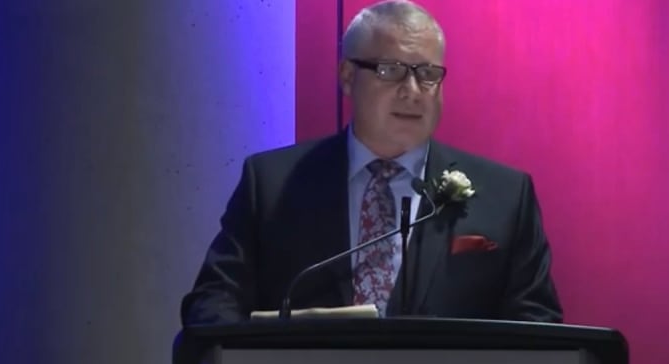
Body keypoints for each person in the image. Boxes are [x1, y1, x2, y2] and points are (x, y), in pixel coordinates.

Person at [179, 0, 563, 327]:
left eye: (428, 75)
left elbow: (537, 324)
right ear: (347, 76)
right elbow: (214, 303)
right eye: (390, 70)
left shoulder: (505, 196)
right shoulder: (273, 184)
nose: (412, 92)